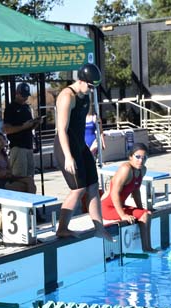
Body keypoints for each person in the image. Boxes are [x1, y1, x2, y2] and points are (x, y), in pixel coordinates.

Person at [54, 64, 113, 241]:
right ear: (80, 80)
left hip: (80, 145)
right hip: (65, 146)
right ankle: (62, 229)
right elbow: (62, 129)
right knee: (78, 189)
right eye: (90, 86)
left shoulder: (85, 95)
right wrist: (68, 157)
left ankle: (99, 228)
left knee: (93, 185)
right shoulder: (67, 97)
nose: (92, 90)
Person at [100, 143, 156, 252]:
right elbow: (114, 193)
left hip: (119, 205)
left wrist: (141, 209)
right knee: (145, 216)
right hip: (107, 208)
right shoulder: (126, 169)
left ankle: (148, 247)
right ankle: (147, 249)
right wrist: (123, 215)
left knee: (147, 213)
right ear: (130, 156)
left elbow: (136, 191)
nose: (141, 160)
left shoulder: (142, 170)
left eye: (144, 158)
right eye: (138, 157)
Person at [2, 82, 41, 194]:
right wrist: (24, 126)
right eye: (23, 95)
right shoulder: (11, 108)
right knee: (20, 178)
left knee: (30, 177)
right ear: (17, 94)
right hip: (18, 147)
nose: (25, 98)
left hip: (28, 146)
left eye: (26, 96)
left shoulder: (26, 107)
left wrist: (35, 123)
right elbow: (7, 129)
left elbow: (29, 126)